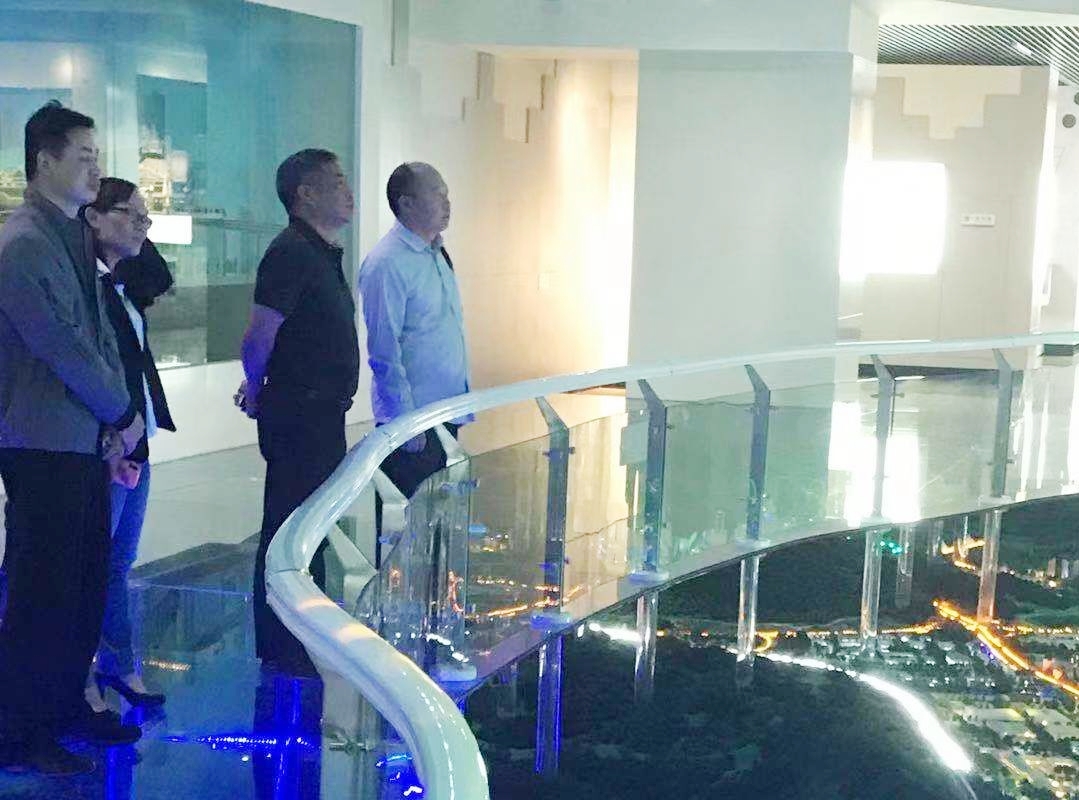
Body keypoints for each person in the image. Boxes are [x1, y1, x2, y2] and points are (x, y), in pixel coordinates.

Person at [0, 102, 144, 776]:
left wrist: (114, 423)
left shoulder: (70, 236)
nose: (95, 168)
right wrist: (121, 412)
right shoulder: (25, 243)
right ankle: (21, 731)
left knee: (82, 583)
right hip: (40, 441)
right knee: (43, 591)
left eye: (96, 156)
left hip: (79, 438)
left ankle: (64, 708)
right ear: (45, 161)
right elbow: (60, 344)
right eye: (84, 157)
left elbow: (99, 334)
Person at [236, 149, 358, 674]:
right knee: (291, 528)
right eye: (336, 182)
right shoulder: (291, 253)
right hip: (301, 418)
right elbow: (259, 335)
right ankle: (284, 643)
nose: (347, 191)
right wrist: (257, 386)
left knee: (310, 529)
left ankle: (303, 632)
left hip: (320, 414)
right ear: (305, 194)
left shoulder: (317, 253)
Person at [81, 178, 175, 712]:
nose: (143, 223)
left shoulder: (121, 282)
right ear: (93, 218)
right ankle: (86, 673)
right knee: (94, 563)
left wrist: (133, 227)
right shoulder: (87, 287)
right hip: (110, 444)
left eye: (146, 215)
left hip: (137, 440)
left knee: (117, 563)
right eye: (131, 213)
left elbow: (159, 276)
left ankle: (117, 665)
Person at [358, 162, 471, 554]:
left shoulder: (436, 254)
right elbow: (384, 350)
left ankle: (434, 591)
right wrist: (404, 422)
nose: (446, 202)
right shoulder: (388, 263)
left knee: (437, 527)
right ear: (406, 203)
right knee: (404, 533)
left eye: (446, 193)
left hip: (444, 414)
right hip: (412, 423)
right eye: (437, 194)